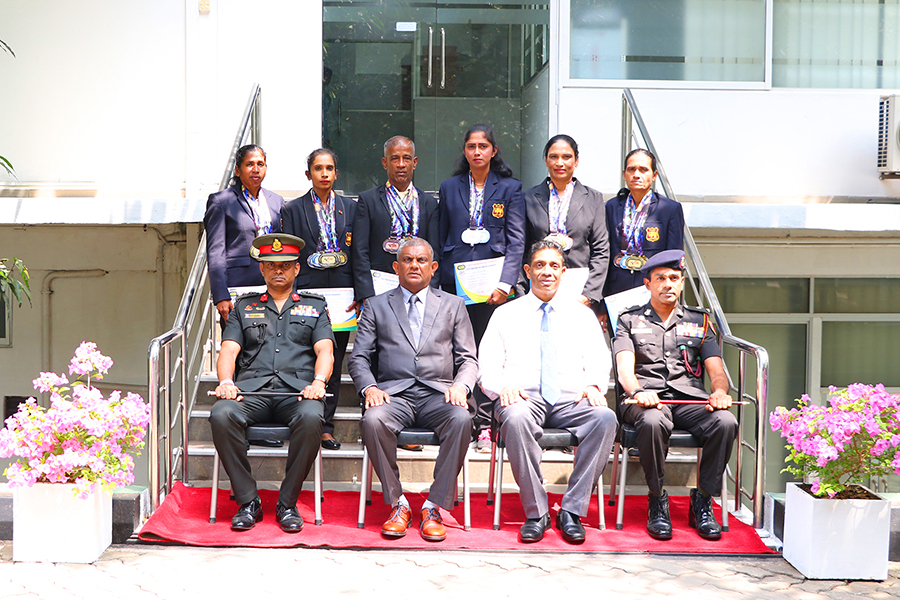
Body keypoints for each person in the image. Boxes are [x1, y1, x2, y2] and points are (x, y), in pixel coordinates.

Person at [479, 241, 617, 544]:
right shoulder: (506, 314)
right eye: (540, 265)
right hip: (523, 398)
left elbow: (598, 357)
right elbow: (486, 364)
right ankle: (537, 511)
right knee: (514, 420)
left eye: (554, 266)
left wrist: (594, 384)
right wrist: (502, 386)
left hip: (571, 399)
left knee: (605, 419)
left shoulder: (582, 315)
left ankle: (571, 509)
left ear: (563, 272)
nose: (547, 272)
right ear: (528, 270)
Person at [348, 238, 477, 542]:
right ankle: (399, 503)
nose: (414, 265)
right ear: (396, 267)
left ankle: (433, 506)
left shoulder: (453, 304)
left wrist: (461, 385)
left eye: (421, 261)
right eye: (407, 260)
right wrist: (369, 388)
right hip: (394, 395)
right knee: (373, 420)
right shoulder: (377, 305)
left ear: (433, 268)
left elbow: (468, 358)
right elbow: (359, 357)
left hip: (439, 394)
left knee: (461, 420)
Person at [209, 233, 335, 533]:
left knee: (312, 415)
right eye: (271, 265)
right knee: (221, 414)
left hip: (296, 392)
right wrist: (226, 381)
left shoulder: (315, 307)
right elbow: (228, 349)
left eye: (285, 265)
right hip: (252, 392)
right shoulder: (244, 307)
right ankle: (248, 500)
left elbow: (325, 351)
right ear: (262, 270)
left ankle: (287, 502)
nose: (279, 270)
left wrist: (318, 382)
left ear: (296, 269)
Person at [613, 249, 737, 541]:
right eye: (660, 279)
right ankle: (657, 499)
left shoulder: (699, 320)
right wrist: (638, 391)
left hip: (688, 399)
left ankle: (703, 500)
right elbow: (624, 372)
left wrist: (719, 392)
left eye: (673, 278)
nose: (667, 284)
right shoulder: (629, 320)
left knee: (726, 422)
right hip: (645, 399)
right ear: (648, 284)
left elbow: (717, 371)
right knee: (653, 421)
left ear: (682, 283)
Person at [438, 124, 526, 450]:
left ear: (493, 151)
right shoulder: (449, 188)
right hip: (455, 286)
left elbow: (517, 241)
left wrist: (506, 283)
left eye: (483, 146)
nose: (477, 152)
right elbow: (440, 237)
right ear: (465, 151)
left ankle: (487, 423)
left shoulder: (510, 189)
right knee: (461, 351)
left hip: (494, 289)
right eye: (471, 146)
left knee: (490, 353)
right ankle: (461, 415)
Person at [281, 148, 357, 451]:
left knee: (334, 360)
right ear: (308, 174)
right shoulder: (293, 209)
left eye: (329, 168)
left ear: (336, 173)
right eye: (318, 168)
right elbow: (290, 256)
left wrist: (360, 292)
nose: (324, 174)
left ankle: (326, 425)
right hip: (308, 294)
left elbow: (358, 253)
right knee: (303, 358)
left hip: (342, 296)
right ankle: (299, 420)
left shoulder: (351, 208)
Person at [520, 134, 609, 314]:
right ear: (545, 161)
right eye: (553, 157)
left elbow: (601, 250)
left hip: (579, 292)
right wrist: (523, 292)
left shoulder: (593, 199)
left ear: (576, 161)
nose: (560, 162)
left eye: (566, 157)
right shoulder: (527, 198)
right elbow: (520, 248)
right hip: (538, 288)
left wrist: (588, 295)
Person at [351, 136, 440, 303]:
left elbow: (435, 251)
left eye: (406, 158)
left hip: (418, 290)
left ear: (414, 162)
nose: (401, 164)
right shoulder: (368, 200)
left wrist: (430, 291)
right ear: (385, 163)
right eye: (394, 158)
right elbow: (360, 251)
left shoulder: (429, 203)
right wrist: (366, 293)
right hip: (379, 290)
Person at [204, 144, 285, 325]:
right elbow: (216, 251)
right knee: (238, 348)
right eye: (249, 164)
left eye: (260, 164)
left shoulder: (276, 201)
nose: (256, 169)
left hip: (273, 286)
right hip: (238, 288)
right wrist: (221, 295)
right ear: (238, 170)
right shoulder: (221, 201)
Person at [604, 148, 684, 299]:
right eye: (631, 169)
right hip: (616, 290)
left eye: (643, 170)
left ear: (654, 175)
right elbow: (604, 253)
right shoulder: (610, 207)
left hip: (652, 291)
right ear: (624, 174)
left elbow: (674, 257)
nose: (636, 175)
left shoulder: (669, 209)